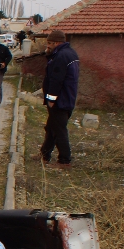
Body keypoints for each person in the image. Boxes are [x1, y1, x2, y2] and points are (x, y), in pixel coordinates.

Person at [39, 30, 80, 168]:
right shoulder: (70, 53)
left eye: (49, 43)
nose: (47, 46)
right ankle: (44, 154)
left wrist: (51, 99)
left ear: (56, 43)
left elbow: (56, 80)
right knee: (51, 127)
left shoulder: (61, 56)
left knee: (59, 130)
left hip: (60, 101)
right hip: (67, 98)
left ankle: (64, 160)